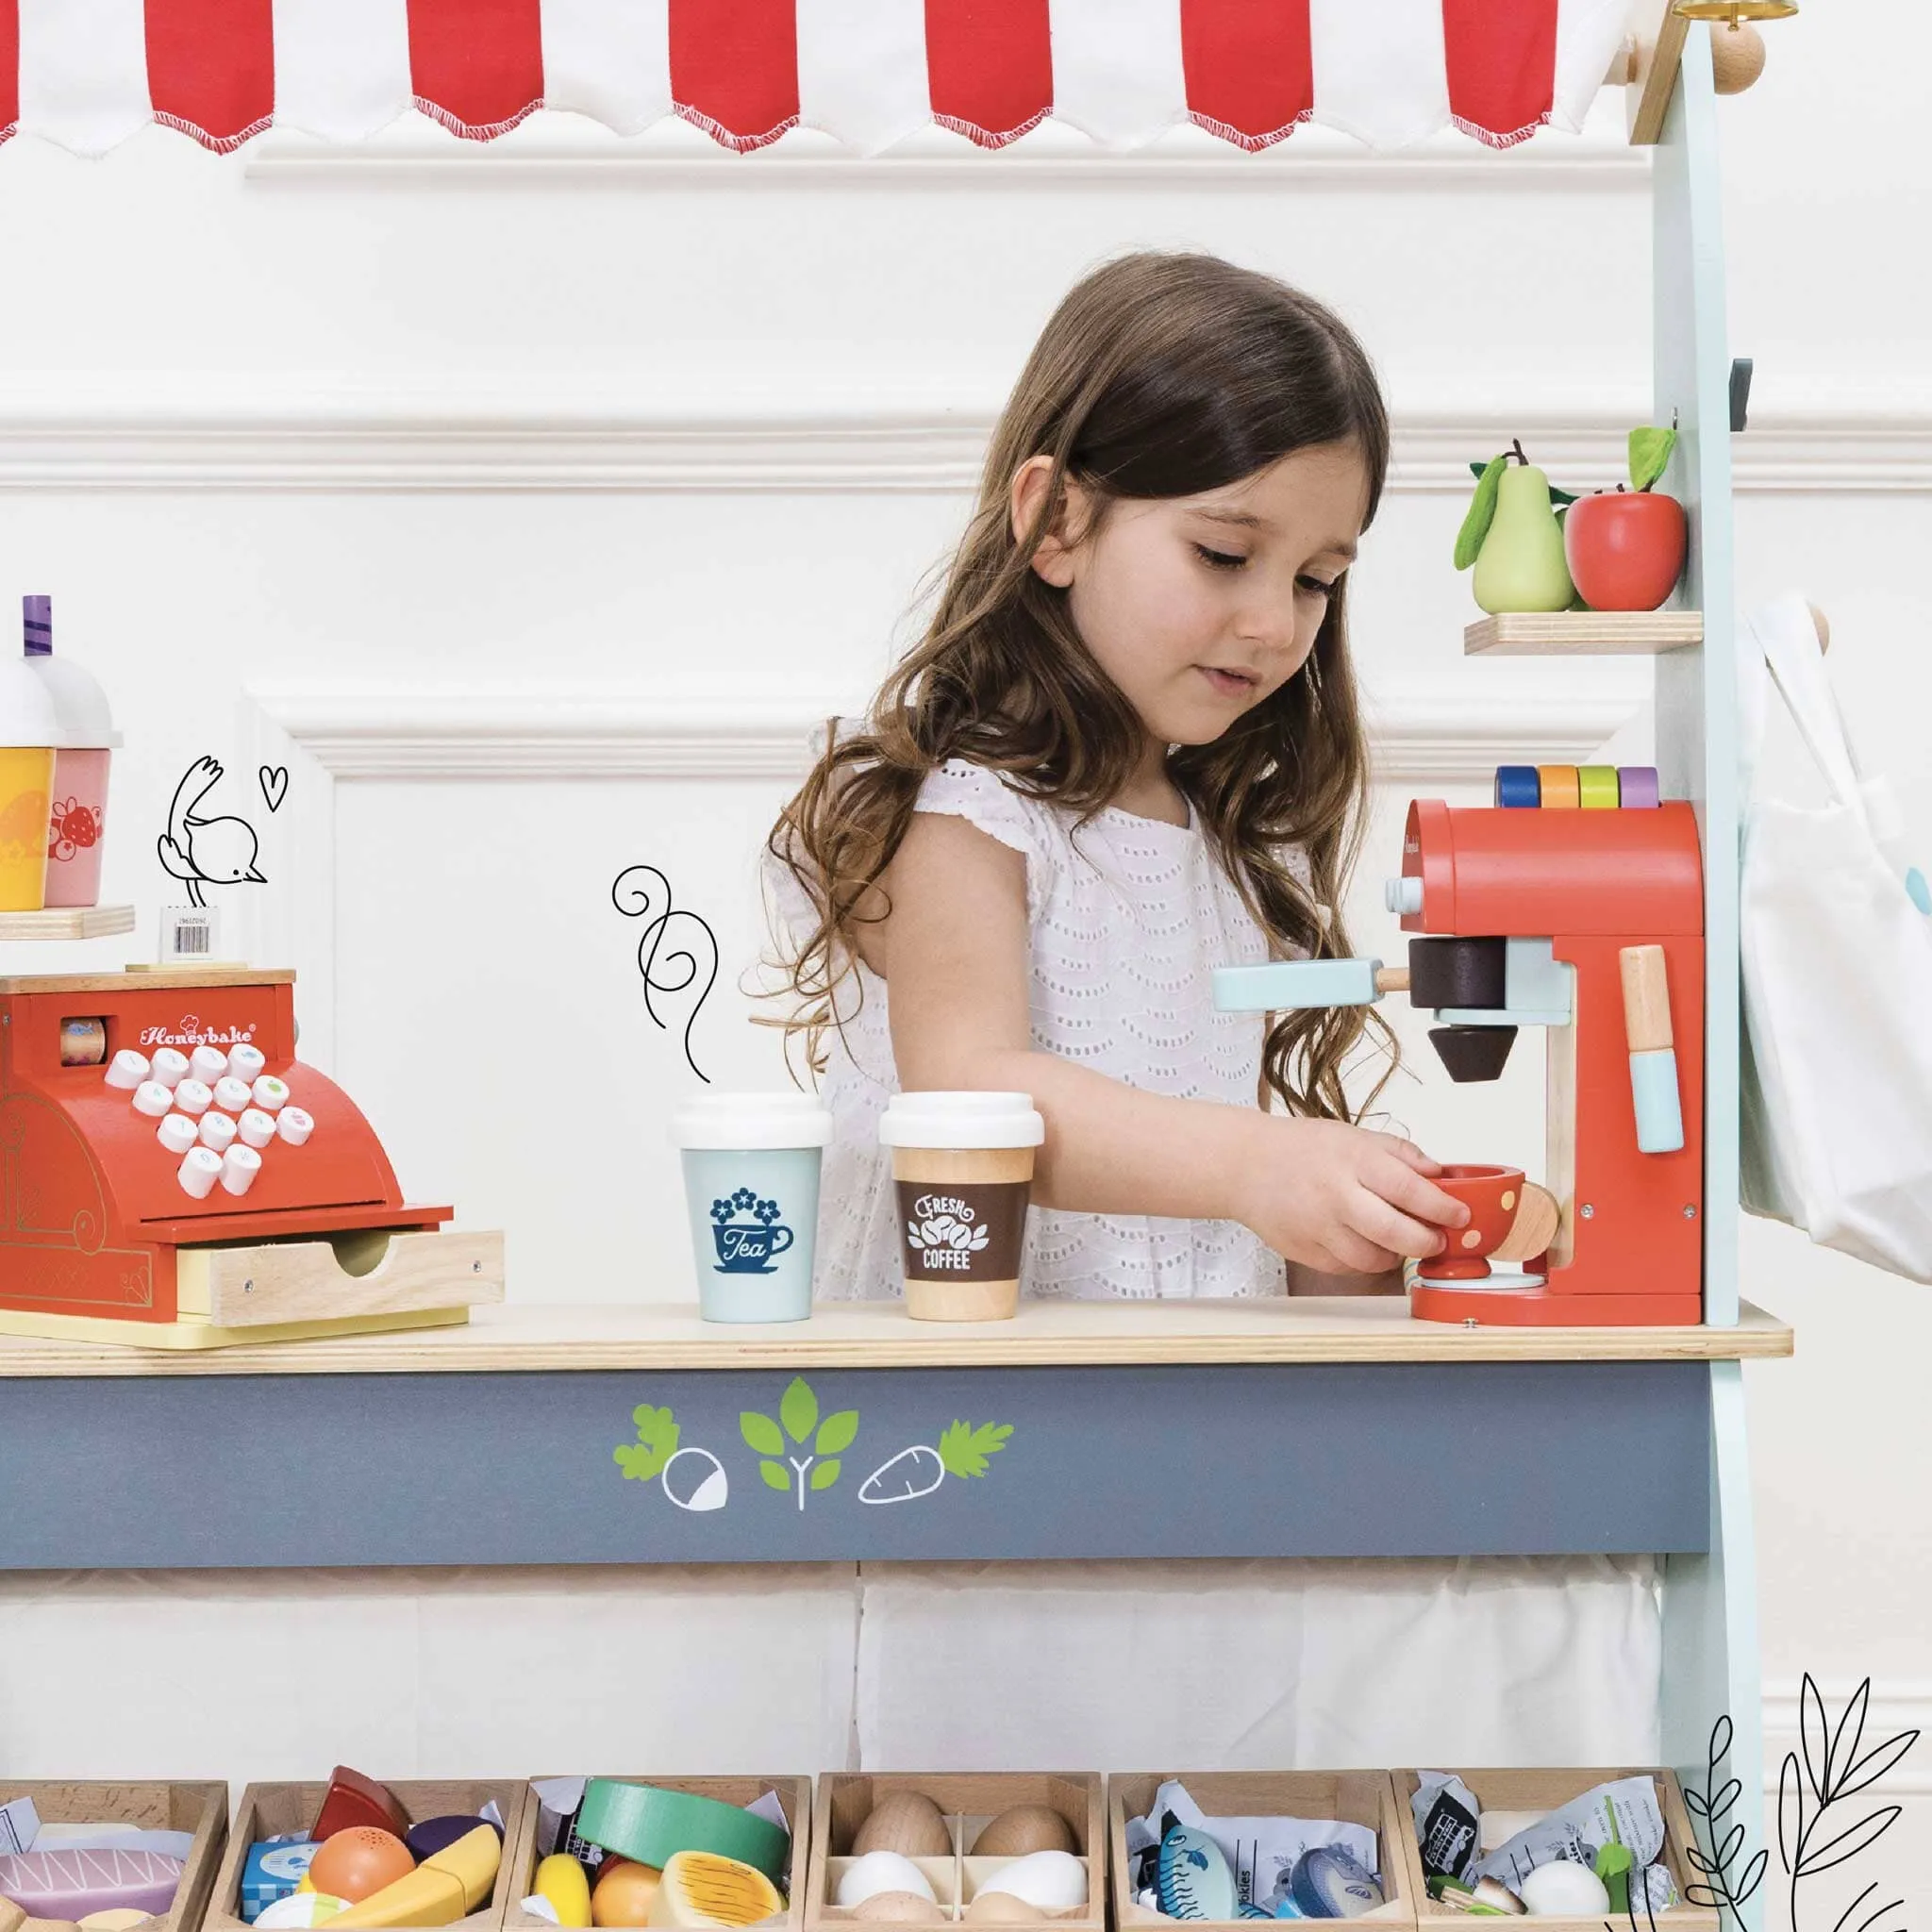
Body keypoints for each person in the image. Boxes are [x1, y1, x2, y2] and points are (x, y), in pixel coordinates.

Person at [766, 250, 1468, 1301]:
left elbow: (1210, 1228)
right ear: (1056, 520)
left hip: (1177, 1402)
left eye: (1316, 579)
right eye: (1225, 555)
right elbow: (970, 1091)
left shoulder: (1229, 844)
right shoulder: (971, 821)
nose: (1276, 623)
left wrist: (1360, 1225)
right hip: (983, 1406)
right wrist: (1254, 1163)